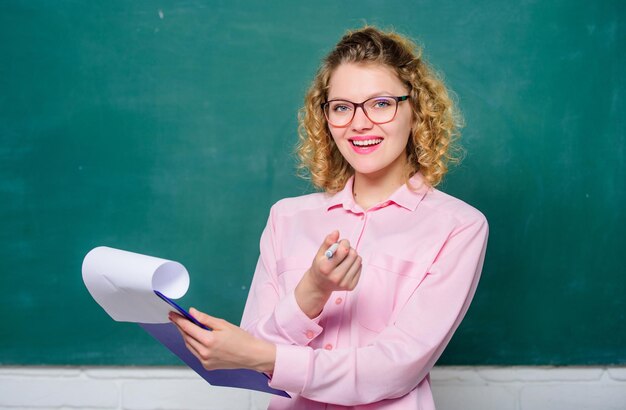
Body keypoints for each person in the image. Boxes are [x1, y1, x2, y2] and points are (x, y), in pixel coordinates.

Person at [170, 26, 489, 409]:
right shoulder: (287, 218)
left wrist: (267, 357)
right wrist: (312, 292)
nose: (359, 123)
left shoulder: (458, 227)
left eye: (381, 103)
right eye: (341, 107)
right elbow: (251, 351)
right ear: (325, 117)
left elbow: (395, 368)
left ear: (416, 110)